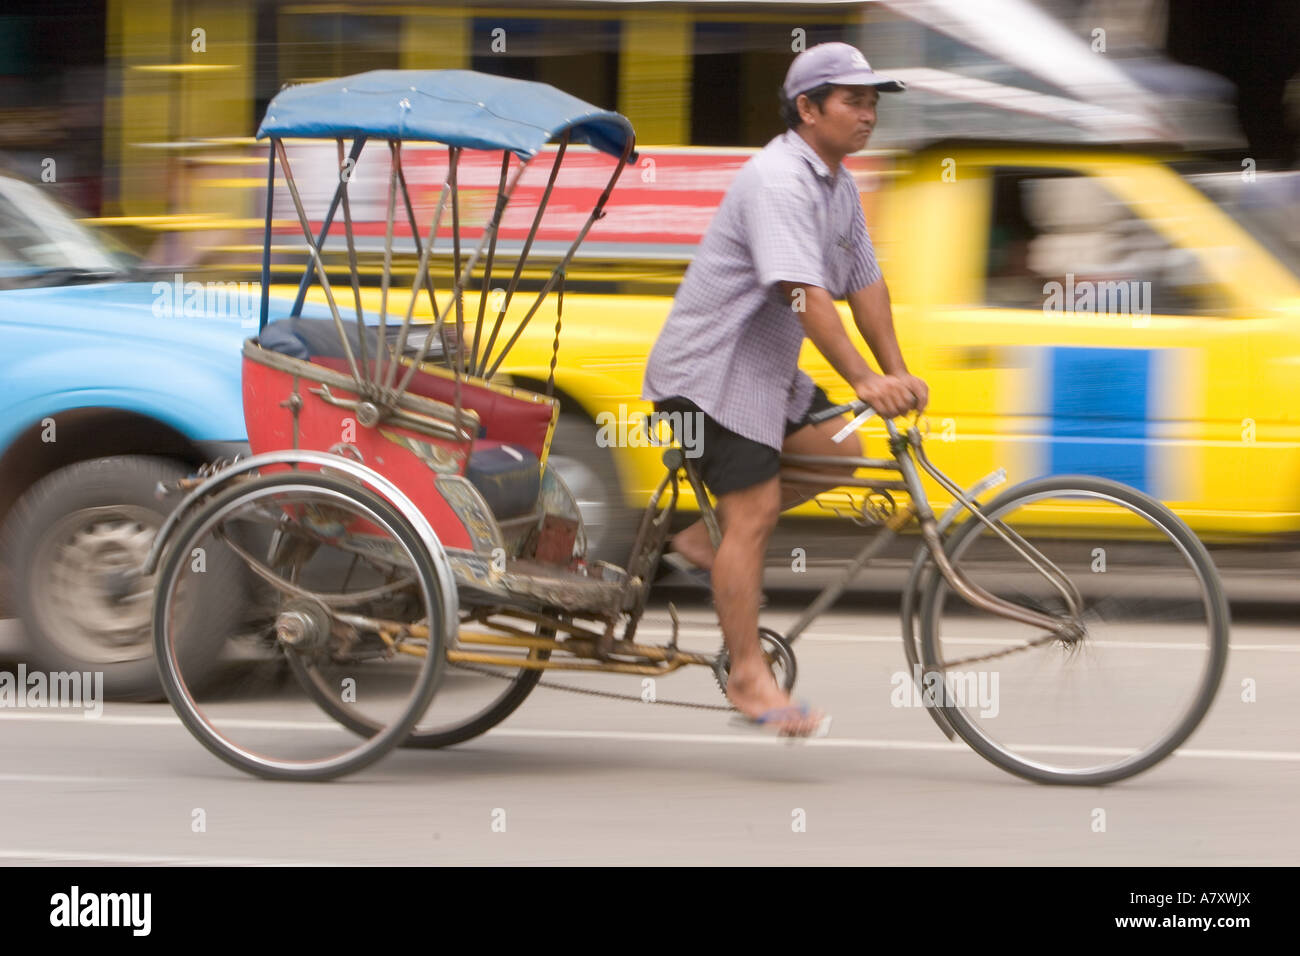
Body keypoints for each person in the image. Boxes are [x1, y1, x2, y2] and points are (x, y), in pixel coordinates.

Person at [642, 42, 929, 737]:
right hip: (706, 378)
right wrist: (862, 377)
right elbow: (801, 291)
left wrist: (894, 372)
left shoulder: (837, 183)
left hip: (765, 374)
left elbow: (864, 283)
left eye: (873, 103)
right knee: (756, 512)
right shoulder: (776, 179)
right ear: (808, 109)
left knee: (841, 450)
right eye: (853, 101)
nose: (868, 115)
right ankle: (747, 673)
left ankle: (702, 546)